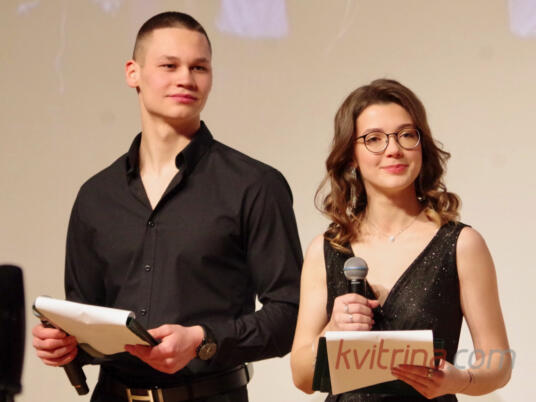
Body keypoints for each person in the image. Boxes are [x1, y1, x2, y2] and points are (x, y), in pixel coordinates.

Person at [32, 11, 302, 402]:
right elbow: (87, 319)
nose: (186, 79)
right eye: (169, 65)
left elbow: (291, 313)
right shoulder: (95, 196)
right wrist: (66, 343)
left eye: (199, 67)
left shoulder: (255, 185)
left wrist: (204, 340)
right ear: (133, 73)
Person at [290, 79, 511, 401]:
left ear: (422, 145)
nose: (393, 149)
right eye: (373, 139)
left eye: (406, 135)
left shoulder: (461, 244)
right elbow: (302, 377)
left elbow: (499, 363)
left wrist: (461, 380)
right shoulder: (326, 249)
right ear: (351, 156)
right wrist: (331, 330)